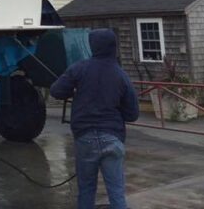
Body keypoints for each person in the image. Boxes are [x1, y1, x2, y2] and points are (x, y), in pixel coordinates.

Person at [49, 29, 139, 209]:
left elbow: (56, 91)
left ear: (92, 46)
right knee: (116, 192)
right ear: (114, 47)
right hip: (112, 137)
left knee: (86, 189)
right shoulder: (121, 75)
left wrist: (72, 90)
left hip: (85, 137)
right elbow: (132, 114)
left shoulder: (79, 68)